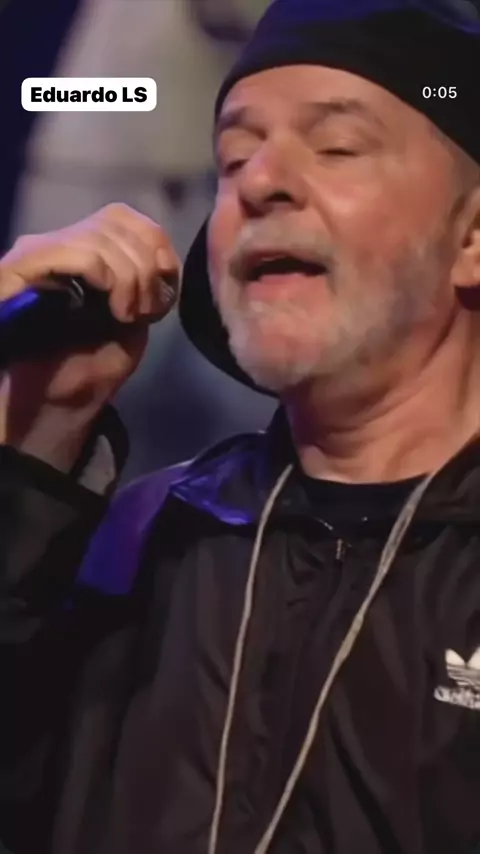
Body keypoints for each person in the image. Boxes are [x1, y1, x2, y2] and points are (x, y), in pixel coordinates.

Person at [1, 0, 480, 852]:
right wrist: (32, 441)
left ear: (472, 235)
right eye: (232, 158)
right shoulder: (143, 540)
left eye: (337, 147)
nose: (259, 182)